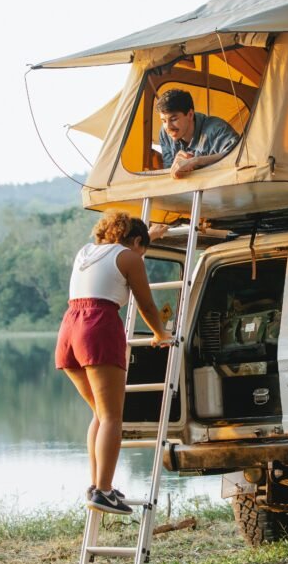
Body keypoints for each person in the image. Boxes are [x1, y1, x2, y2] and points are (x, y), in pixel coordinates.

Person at [55, 210, 171, 515]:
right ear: (135, 242)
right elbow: (145, 303)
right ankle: (104, 491)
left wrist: (151, 236)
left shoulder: (86, 251)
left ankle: (97, 485)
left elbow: (117, 253)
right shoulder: (130, 258)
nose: (141, 256)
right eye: (142, 248)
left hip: (69, 329)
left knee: (100, 413)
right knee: (112, 417)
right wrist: (161, 333)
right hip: (98, 327)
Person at [157, 88, 240, 178]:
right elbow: (169, 172)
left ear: (190, 115)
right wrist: (175, 167)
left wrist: (196, 161)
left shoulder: (217, 129)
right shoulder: (164, 134)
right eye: (164, 121)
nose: (168, 127)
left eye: (173, 119)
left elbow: (240, 155)